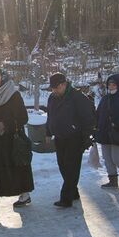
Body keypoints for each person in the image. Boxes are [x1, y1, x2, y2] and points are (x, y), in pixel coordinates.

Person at [0, 69, 34, 207]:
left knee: (17, 167)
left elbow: (23, 118)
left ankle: (25, 195)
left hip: (12, 140)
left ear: (3, 79)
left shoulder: (14, 95)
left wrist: (4, 125)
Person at [46, 73, 97, 207]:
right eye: (52, 88)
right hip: (59, 137)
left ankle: (66, 198)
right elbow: (50, 116)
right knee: (62, 165)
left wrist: (86, 137)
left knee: (71, 168)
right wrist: (48, 132)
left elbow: (88, 119)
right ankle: (73, 192)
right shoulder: (52, 98)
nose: (54, 91)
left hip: (75, 138)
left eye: (56, 88)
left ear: (63, 85)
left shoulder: (77, 97)